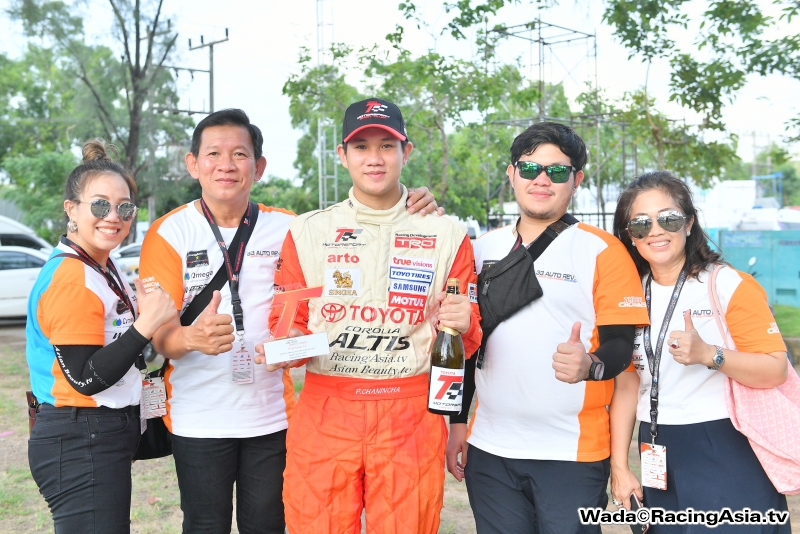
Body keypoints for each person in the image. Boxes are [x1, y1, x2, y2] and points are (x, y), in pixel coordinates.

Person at [138, 108, 442, 534]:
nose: (226, 165)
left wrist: (413, 200)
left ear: (259, 167)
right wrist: (189, 338)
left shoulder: (291, 227)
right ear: (193, 164)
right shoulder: (168, 233)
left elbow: (359, 223)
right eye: (213, 154)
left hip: (272, 416)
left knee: (269, 524)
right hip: (197, 415)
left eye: (240, 154)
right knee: (204, 524)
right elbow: (160, 336)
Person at [261, 97, 482, 534]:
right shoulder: (308, 231)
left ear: (407, 152)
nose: (375, 158)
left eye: (387, 145)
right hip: (327, 408)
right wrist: (282, 349)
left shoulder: (446, 233)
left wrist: (463, 319)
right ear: (342, 155)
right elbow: (288, 323)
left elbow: (466, 340)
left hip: (411, 413)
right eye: (362, 147)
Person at [446, 122, 650, 534]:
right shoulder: (480, 248)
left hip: (571, 453)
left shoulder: (604, 252)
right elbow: (467, 347)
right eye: (530, 168)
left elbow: (619, 347)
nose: (541, 180)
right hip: (490, 449)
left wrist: (590, 365)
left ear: (576, 180)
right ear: (511, 174)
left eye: (557, 171)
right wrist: (457, 425)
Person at [609, 171, 790, 533]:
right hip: (655, 444)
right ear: (629, 234)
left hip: (723, 445)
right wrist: (619, 466)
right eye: (641, 224)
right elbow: (628, 385)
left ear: (689, 223)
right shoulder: (628, 295)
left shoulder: (725, 284)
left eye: (669, 219)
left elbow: (776, 369)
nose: (656, 231)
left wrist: (711, 355)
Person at [26, 139, 177, 533]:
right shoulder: (72, 278)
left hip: (97, 433)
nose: (114, 216)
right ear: (71, 210)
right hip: (79, 438)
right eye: (99, 205)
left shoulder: (99, 268)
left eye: (125, 207)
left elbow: (117, 350)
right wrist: (146, 325)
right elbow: (86, 377)